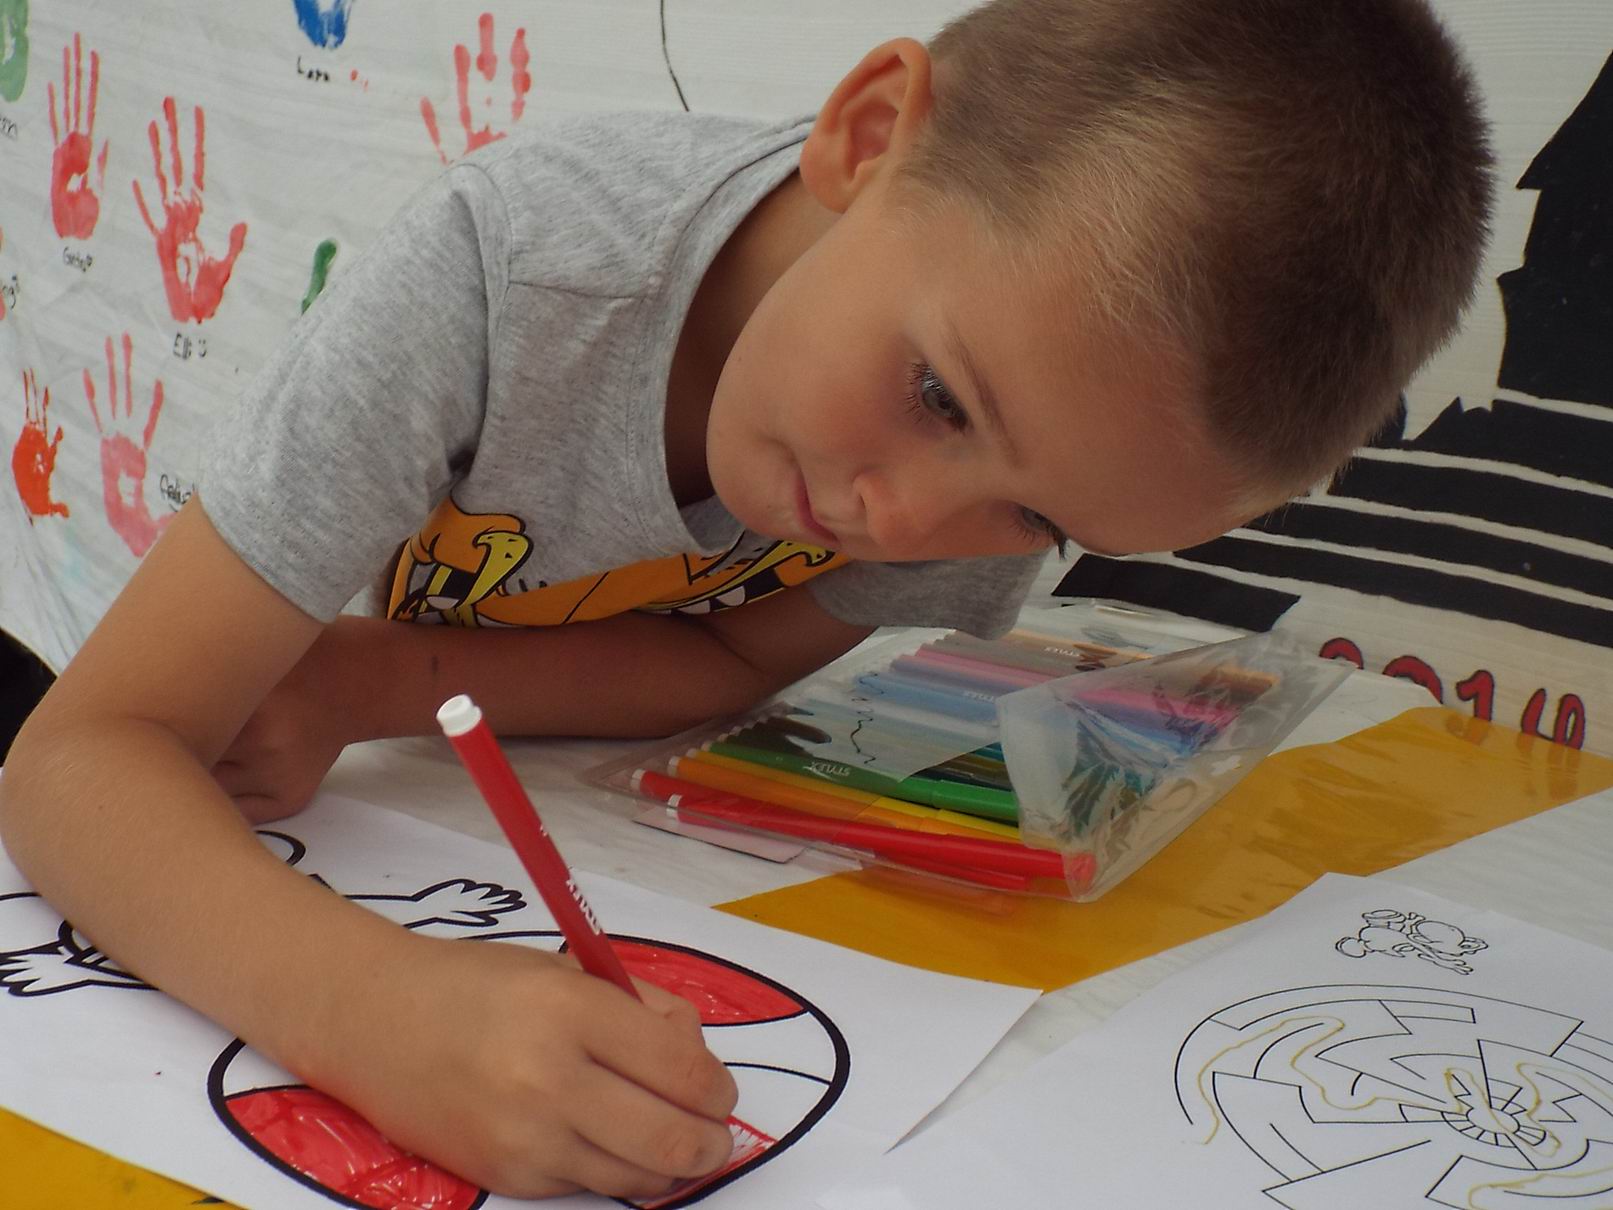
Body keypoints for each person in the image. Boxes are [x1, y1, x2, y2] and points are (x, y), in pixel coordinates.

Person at [0, 0, 1492, 1199]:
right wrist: (374, 1014)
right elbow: (76, 758)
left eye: (1038, 520)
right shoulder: (508, 274)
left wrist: (365, 681)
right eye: (937, 395)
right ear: (871, 134)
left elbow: (723, 659)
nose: (910, 523)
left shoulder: (1003, 434)